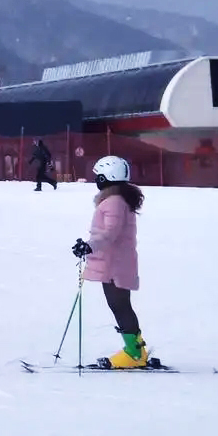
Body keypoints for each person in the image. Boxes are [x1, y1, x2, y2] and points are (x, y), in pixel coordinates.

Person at [73, 155, 151, 369]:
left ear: (108, 177)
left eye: (99, 176)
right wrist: (90, 243)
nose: (96, 179)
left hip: (115, 265)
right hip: (115, 262)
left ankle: (135, 354)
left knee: (120, 306)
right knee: (119, 306)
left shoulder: (114, 202)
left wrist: (90, 246)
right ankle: (135, 351)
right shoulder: (114, 200)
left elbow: (110, 234)